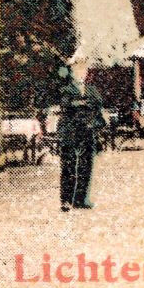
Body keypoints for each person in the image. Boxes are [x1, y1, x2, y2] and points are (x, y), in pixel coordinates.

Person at [55, 54, 107, 212]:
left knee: (86, 166)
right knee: (68, 167)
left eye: (84, 69)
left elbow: (100, 115)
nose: (81, 72)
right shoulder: (66, 90)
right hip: (69, 134)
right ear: (71, 71)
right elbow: (68, 109)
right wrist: (84, 110)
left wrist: (95, 124)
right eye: (78, 69)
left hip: (87, 134)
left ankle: (80, 199)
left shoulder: (92, 90)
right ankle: (66, 200)